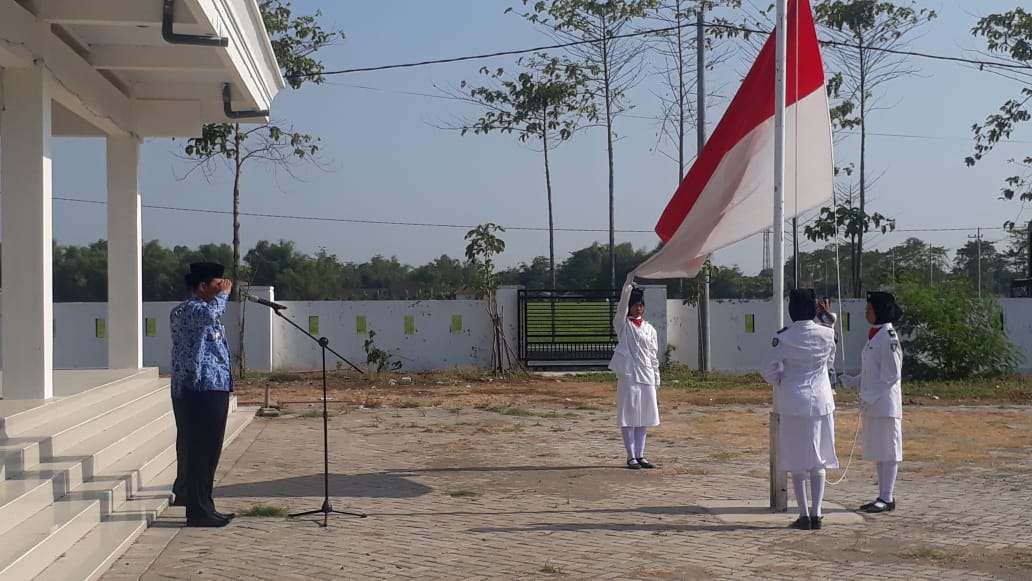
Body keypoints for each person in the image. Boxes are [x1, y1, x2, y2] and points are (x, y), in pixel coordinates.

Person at [761, 289, 838, 530]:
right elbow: (830, 362)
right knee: (819, 459)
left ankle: (803, 514)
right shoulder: (827, 334)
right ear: (814, 308)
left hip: (793, 401)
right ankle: (817, 513)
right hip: (821, 401)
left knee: (796, 459)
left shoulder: (784, 337)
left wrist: (783, 380)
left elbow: (767, 367)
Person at [170, 262, 236, 527]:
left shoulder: (209, 312)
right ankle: (196, 509)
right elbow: (209, 315)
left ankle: (206, 505)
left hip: (214, 388)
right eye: (217, 284)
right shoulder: (187, 311)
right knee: (198, 450)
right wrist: (224, 294)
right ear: (202, 287)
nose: (223, 289)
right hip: (195, 390)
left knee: (211, 451)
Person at [839, 291, 904, 514]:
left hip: (885, 405)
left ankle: (887, 497)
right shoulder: (875, 336)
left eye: (869, 309)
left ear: (880, 311)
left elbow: (891, 376)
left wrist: (870, 395)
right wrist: (854, 381)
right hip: (874, 404)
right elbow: (871, 371)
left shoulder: (889, 338)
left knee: (890, 451)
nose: (866, 313)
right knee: (879, 450)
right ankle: (882, 495)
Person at [608, 285, 661, 470]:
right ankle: (630, 456)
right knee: (628, 417)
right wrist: (626, 290)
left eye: (640, 305)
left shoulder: (650, 329)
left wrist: (656, 379)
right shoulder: (623, 325)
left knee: (644, 417)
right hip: (629, 376)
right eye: (635, 305)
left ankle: (641, 455)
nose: (638, 308)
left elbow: (654, 357)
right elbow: (621, 309)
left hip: (646, 375)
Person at [815, 297, 839, 390]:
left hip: (829, 344)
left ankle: (832, 385)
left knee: (830, 363)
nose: (822, 305)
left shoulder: (832, 315)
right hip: (818, 344)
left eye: (825, 303)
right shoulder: (815, 317)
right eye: (821, 303)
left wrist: (824, 310)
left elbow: (832, 320)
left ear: (828, 305)